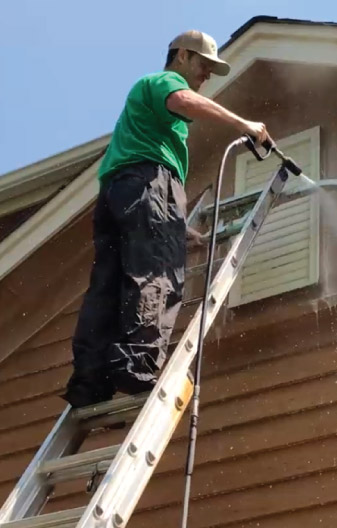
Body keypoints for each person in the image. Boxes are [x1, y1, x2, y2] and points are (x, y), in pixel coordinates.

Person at [62, 30, 270, 408]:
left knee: (107, 284)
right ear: (181, 56)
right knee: (157, 272)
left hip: (116, 193)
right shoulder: (164, 82)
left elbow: (138, 204)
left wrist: (178, 226)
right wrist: (244, 125)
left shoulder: (143, 114)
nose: (206, 75)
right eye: (204, 65)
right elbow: (183, 100)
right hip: (147, 180)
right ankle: (137, 364)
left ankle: (89, 380)